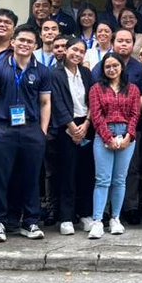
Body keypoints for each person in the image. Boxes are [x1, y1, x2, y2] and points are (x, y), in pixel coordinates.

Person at [0, 26, 53, 243]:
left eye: (29, 41)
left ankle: (30, 220)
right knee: (0, 177)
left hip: (32, 130)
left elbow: (45, 102)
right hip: (4, 129)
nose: (24, 44)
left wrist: (42, 131)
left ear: (36, 45)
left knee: (32, 177)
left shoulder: (41, 71)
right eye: (21, 40)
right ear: (13, 42)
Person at [88, 52, 142, 238]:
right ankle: (97, 221)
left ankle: (115, 218)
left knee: (120, 179)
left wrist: (129, 136)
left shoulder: (133, 89)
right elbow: (96, 115)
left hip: (126, 134)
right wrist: (108, 138)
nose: (111, 69)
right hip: (104, 135)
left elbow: (135, 114)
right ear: (103, 69)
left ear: (121, 67)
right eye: (108, 66)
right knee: (103, 179)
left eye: (115, 66)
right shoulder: (96, 89)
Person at [49, 36, 96, 236]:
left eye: (81, 51)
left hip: (86, 124)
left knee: (86, 172)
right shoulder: (55, 74)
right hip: (65, 127)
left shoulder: (86, 73)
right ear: (66, 50)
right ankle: (66, 217)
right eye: (74, 50)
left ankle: (85, 214)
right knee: (66, 173)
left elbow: (93, 99)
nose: (77, 54)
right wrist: (71, 126)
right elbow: (57, 102)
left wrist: (86, 124)